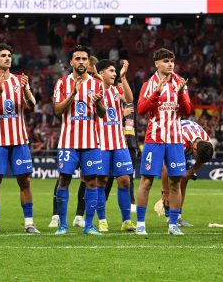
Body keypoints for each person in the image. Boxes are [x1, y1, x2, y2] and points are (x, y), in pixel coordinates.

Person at [0, 43, 39, 234]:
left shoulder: (20, 80)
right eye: (3, 55)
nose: (7, 58)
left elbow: (32, 105)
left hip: (20, 140)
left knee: (25, 181)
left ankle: (29, 223)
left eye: (9, 55)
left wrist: (27, 89)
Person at [135, 48, 193, 236]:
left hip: (176, 140)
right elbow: (141, 110)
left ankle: (173, 224)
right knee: (146, 181)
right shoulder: (149, 84)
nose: (170, 64)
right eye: (166, 61)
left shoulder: (180, 83)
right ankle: (141, 224)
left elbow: (187, 111)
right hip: (155, 139)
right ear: (157, 64)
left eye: (172, 61)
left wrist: (183, 93)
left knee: (175, 182)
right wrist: (156, 94)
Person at [53, 45, 106, 236]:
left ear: (88, 61)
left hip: (91, 142)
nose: (81, 62)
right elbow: (57, 110)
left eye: (84, 59)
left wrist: (99, 103)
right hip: (68, 142)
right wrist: (73, 94)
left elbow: (103, 114)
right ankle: (62, 225)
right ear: (71, 62)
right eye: (78, 59)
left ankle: (89, 226)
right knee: (64, 180)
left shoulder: (97, 84)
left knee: (91, 183)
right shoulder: (62, 83)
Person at [95, 59, 135, 232]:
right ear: (101, 73)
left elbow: (130, 99)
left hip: (119, 142)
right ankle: (102, 220)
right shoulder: (94, 89)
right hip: (101, 143)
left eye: (115, 71)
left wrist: (124, 78)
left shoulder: (117, 89)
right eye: (111, 71)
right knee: (101, 181)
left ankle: (126, 221)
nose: (114, 73)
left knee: (125, 180)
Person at [158, 119, 214, 227]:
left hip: (187, 138)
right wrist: (165, 192)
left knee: (184, 181)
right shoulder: (181, 142)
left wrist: (192, 171)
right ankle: (169, 213)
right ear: (194, 149)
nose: (196, 158)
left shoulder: (207, 142)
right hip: (170, 137)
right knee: (174, 180)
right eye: (196, 156)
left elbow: (201, 160)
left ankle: (177, 217)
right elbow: (165, 167)